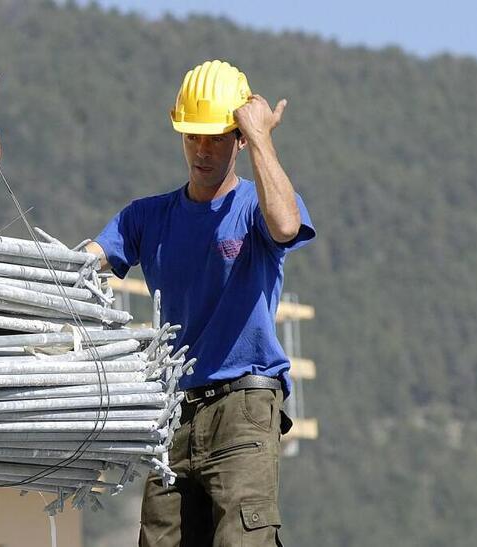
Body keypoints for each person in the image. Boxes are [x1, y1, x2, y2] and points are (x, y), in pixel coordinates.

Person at [85, 59, 316, 546]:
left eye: (216, 137)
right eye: (193, 136)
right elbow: (84, 264)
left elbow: (287, 226)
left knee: (242, 538)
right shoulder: (148, 217)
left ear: (238, 139)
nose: (203, 150)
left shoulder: (256, 206)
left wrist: (262, 139)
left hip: (244, 406)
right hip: (174, 413)